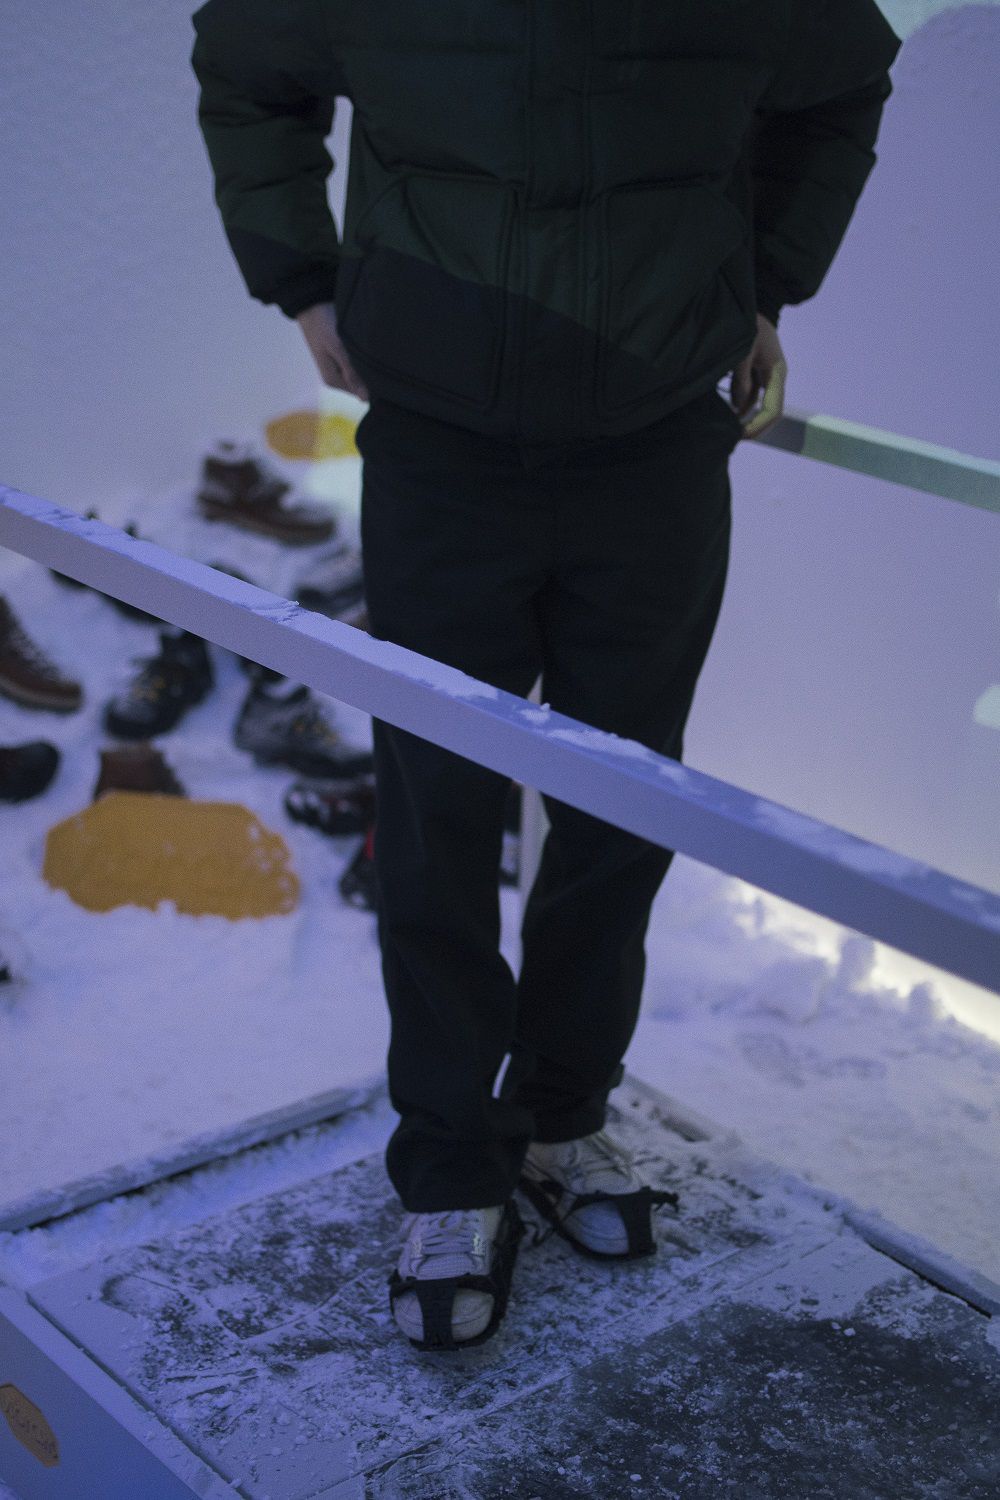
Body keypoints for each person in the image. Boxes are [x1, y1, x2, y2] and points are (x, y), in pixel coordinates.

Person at [191, 0, 902, 1352]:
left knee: (623, 807)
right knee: (438, 810)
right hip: (442, 447)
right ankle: (452, 1168)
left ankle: (565, 1117)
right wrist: (304, 280)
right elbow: (246, 66)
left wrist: (762, 285)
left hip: (657, 444)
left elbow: (845, 78)